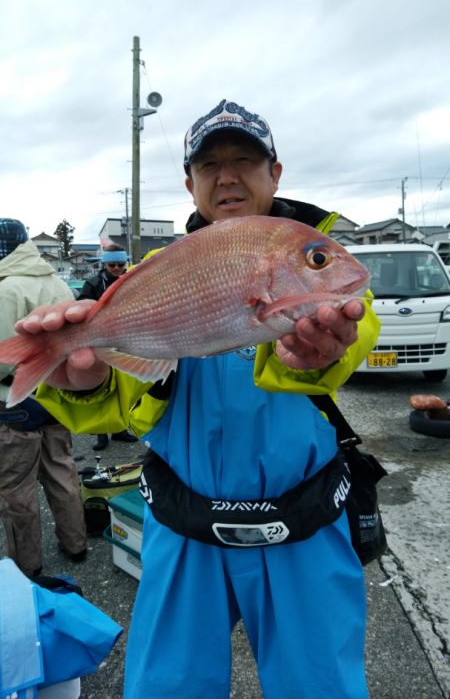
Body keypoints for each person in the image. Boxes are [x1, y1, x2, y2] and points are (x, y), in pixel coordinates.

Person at [19, 100, 381, 699]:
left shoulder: (311, 260)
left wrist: (321, 351)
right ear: (189, 182)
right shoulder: (158, 271)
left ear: (276, 173)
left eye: (245, 159)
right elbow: (121, 399)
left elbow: (354, 328)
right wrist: (79, 383)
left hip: (306, 527)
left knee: (322, 687)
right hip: (182, 529)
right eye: (210, 164)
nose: (228, 176)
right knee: (166, 687)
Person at [0, 218, 87, 577]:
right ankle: (75, 544)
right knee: (62, 472)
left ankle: (27, 568)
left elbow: (4, 358)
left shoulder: (6, 289)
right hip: (56, 394)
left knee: (16, 489)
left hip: (15, 401)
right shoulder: (57, 281)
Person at [77, 244, 136, 450]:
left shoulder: (134, 280)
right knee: (101, 389)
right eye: (112, 264)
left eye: (121, 264)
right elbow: (82, 307)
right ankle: (101, 433)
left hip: (125, 340)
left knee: (123, 388)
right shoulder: (93, 283)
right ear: (105, 264)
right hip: (100, 340)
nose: (117, 268)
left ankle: (120, 428)